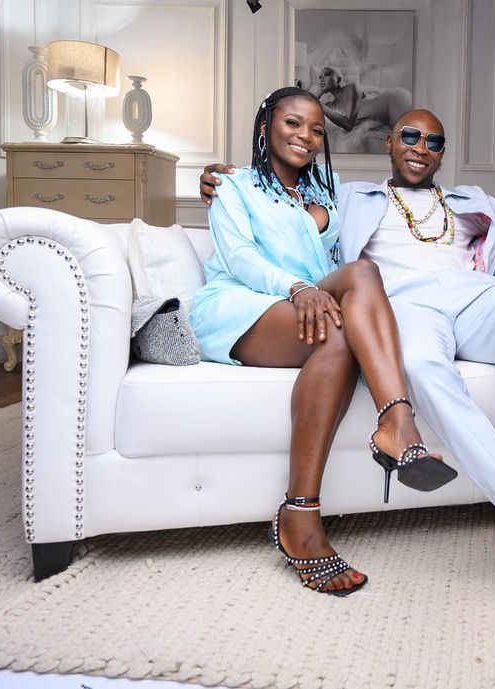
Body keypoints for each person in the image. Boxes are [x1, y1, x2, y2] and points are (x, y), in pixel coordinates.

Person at [200, 109, 495, 640]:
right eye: (411, 137)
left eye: (433, 142)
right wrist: (222, 177)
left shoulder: (472, 200)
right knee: (417, 365)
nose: (420, 148)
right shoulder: (348, 196)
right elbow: (282, 190)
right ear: (390, 142)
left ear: (442, 153)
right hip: (404, 307)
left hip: (477, 296)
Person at [192, 88, 456, 597]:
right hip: (244, 304)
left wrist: (314, 291)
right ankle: (393, 431)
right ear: (266, 127)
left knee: (360, 282)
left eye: (317, 130)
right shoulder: (233, 186)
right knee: (339, 329)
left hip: (313, 303)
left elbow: (369, 226)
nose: (306, 137)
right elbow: (240, 258)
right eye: (293, 123)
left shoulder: (329, 188)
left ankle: (306, 511)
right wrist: (298, 288)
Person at [312, 66, 412, 153]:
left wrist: (321, 106)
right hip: (388, 109)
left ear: (338, 80)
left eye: (327, 75)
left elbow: (348, 124)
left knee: (409, 147)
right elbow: (309, 107)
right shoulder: (332, 105)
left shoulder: (351, 88)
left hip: (394, 100)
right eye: (320, 77)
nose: (322, 79)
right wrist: (319, 93)